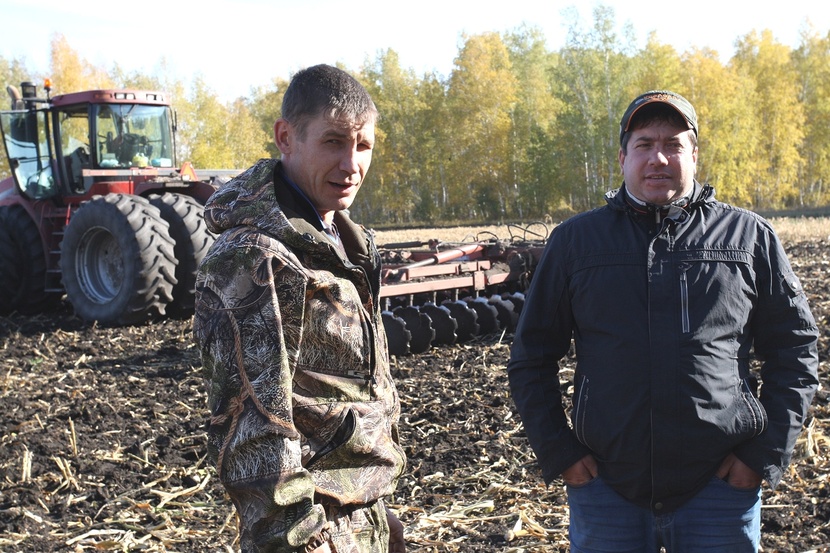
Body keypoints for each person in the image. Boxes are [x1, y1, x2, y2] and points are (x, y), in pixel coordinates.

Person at [507, 90, 819, 552]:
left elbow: (796, 349)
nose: (659, 158)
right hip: (608, 488)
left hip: (718, 489)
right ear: (622, 156)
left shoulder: (748, 237)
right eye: (644, 144)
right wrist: (561, 453)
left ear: (694, 155)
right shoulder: (576, 242)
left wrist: (762, 455)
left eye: (674, 144)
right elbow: (531, 357)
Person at [193, 64, 406, 553]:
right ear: (286, 137)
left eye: (363, 145)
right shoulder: (254, 258)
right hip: (312, 535)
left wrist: (374, 512)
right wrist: (307, 541)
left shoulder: (343, 243)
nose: (351, 165)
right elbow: (253, 436)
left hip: (358, 520)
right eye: (333, 142)